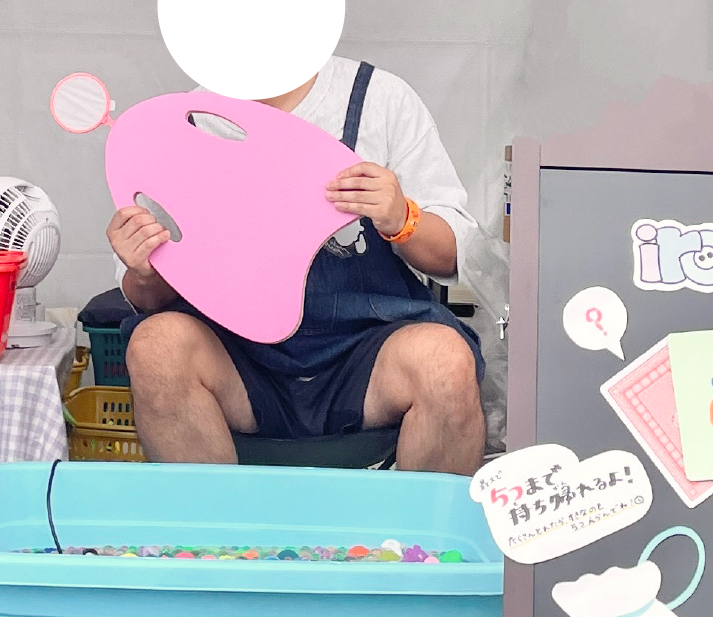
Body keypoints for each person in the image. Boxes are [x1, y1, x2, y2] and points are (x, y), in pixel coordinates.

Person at [108, 54, 486, 473]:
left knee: (444, 361)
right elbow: (147, 299)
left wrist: (402, 217)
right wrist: (145, 271)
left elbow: (452, 256)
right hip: (238, 360)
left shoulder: (377, 98)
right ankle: (215, 517)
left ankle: (426, 520)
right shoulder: (183, 122)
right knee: (156, 346)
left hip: (369, 353)